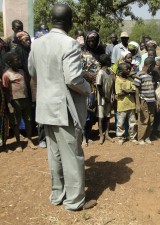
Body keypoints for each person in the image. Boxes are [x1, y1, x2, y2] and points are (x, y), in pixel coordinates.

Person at [28, 3, 95, 211]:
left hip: (45, 106)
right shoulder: (70, 44)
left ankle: (58, 194)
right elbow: (73, 79)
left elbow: (32, 70)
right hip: (65, 108)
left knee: (54, 153)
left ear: (52, 20)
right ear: (69, 21)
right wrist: (88, 88)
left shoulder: (37, 43)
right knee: (72, 154)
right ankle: (74, 201)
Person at [2, 52, 36, 151]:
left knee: (28, 121)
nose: (19, 61)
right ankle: (18, 143)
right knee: (15, 123)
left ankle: (30, 140)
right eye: (16, 60)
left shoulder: (22, 72)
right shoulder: (6, 75)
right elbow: (5, 90)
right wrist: (9, 104)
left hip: (25, 99)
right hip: (14, 101)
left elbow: (27, 84)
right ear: (9, 62)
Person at [134, 57, 156, 145]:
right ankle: (141, 138)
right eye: (153, 67)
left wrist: (156, 100)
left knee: (151, 120)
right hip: (144, 101)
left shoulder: (150, 75)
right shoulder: (139, 75)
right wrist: (138, 103)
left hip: (152, 101)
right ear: (150, 66)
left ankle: (147, 137)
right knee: (144, 120)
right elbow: (137, 90)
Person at [115, 63, 137, 144]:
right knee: (120, 123)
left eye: (129, 69)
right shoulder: (118, 80)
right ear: (121, 71)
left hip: (131, 105)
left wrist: (126, 91)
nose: (128, 70)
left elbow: (134, 91)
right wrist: (129, 91)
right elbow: (118, 93)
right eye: (126, 69)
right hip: (122, 105)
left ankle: (132, 137)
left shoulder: (130, 80)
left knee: (133, 123)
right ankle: (120, 137)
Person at [96, 54, 115, 144]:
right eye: (109, 60)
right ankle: (101, 135)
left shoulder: (110, 72)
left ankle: (107, 134)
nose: (110, 61)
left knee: (107, 117)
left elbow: (113, 85)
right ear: (106, 62)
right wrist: (105, 97)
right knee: (101, 118)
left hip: (108, 98)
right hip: (102, 99)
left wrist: (112, 95)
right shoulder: (100, 73)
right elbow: (99, 87)